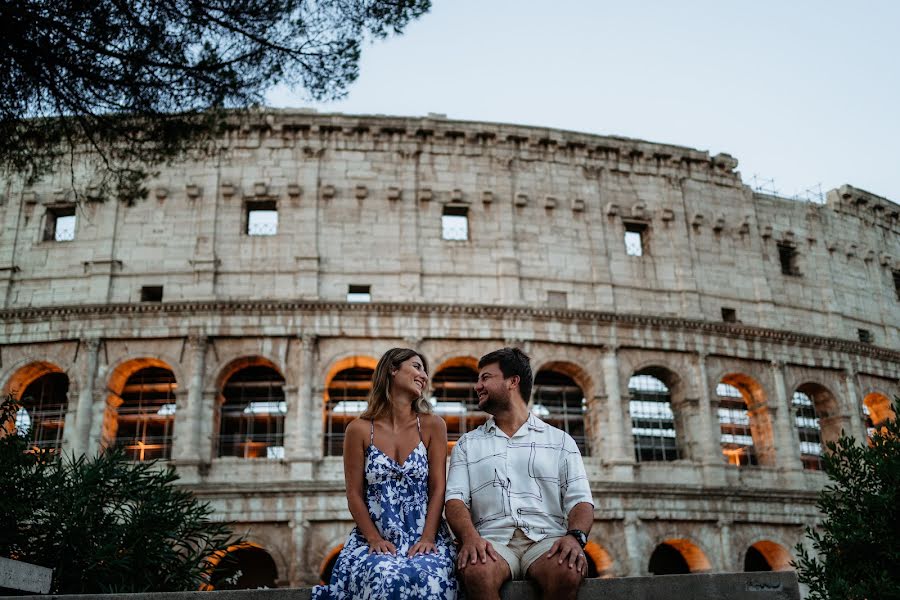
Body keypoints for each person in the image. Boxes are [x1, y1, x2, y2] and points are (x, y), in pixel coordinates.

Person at [445, 347, 594, 600]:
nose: (477, 386)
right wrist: (469, 538)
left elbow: (580, 500)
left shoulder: (560, 441)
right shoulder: (467, 444)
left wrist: (574, 537)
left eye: (485, 378)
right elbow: (455, 500)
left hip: (547, 539)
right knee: (476, 570)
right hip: (492, 541)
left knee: (567, 570)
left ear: (513, 381)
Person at [313, 348, 458, 599]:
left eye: (424, 370)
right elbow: (354, 494)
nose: (423, 375)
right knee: (381, 574)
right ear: (392, 369)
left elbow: (438, 488)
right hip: (376, 535)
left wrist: (428, 537)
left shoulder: (434, 425)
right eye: (416, 367)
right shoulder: (358, 430)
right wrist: (374, 539)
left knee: (430, 575)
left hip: (425, 533)